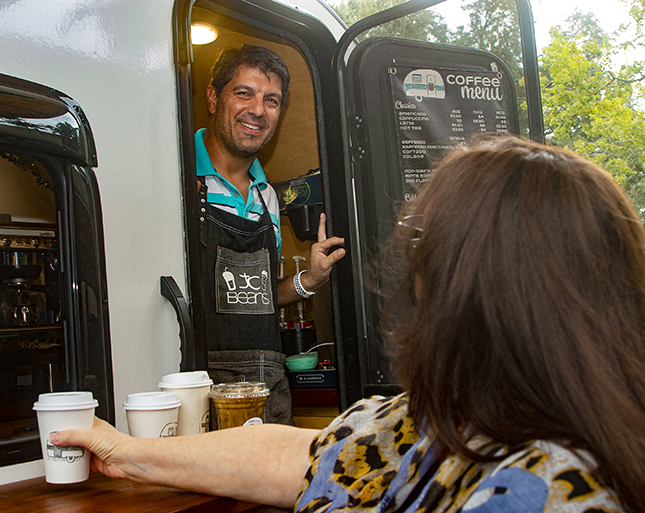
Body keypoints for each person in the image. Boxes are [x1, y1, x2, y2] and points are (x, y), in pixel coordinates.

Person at [51, 136, 645, 511]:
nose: (413, 279)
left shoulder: (542, 491)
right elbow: (291, 455)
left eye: (425, 253)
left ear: (482, 294)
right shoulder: (448, 419)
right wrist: (128, 453)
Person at [195, 44, 345, 425]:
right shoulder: (179, 177)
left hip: (269, 387)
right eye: (244, 93)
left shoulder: (268, 198)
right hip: (203, 392)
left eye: (272, 100)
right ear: (214, 98)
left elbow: (256, 295)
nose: (258, 110)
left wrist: (310, 280)